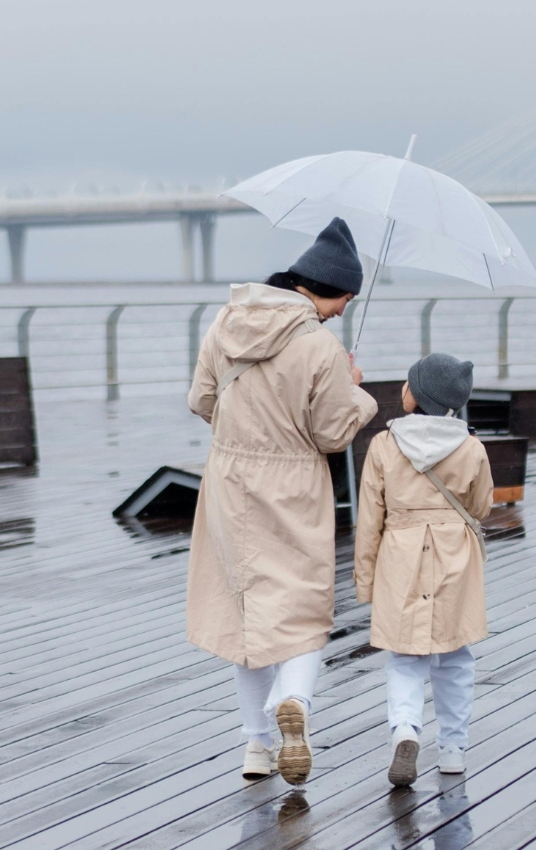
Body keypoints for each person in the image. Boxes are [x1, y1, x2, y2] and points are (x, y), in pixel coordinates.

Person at [187, 217, 378, 786]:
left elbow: (200, 400)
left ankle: (254, 747)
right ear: (326, 288)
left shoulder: (226, 321)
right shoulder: (321, 344)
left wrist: (243, 429)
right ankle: (295, 700)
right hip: (293, 484)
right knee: (302, 606)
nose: (345, 310)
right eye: (346, 298)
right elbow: (332, 435)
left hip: (228, 479)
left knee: (243, 613)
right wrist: (359, 392)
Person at [354, 353, 493, 786]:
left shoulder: (383, 444)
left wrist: (366, 580)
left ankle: (405, 730)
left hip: (400, 555)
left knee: (404, 655)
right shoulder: (471, 446)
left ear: (415, 395)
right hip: (454, 554)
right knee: (455, 656)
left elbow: (369, 519)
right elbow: (482, 505)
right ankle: (452, 748)